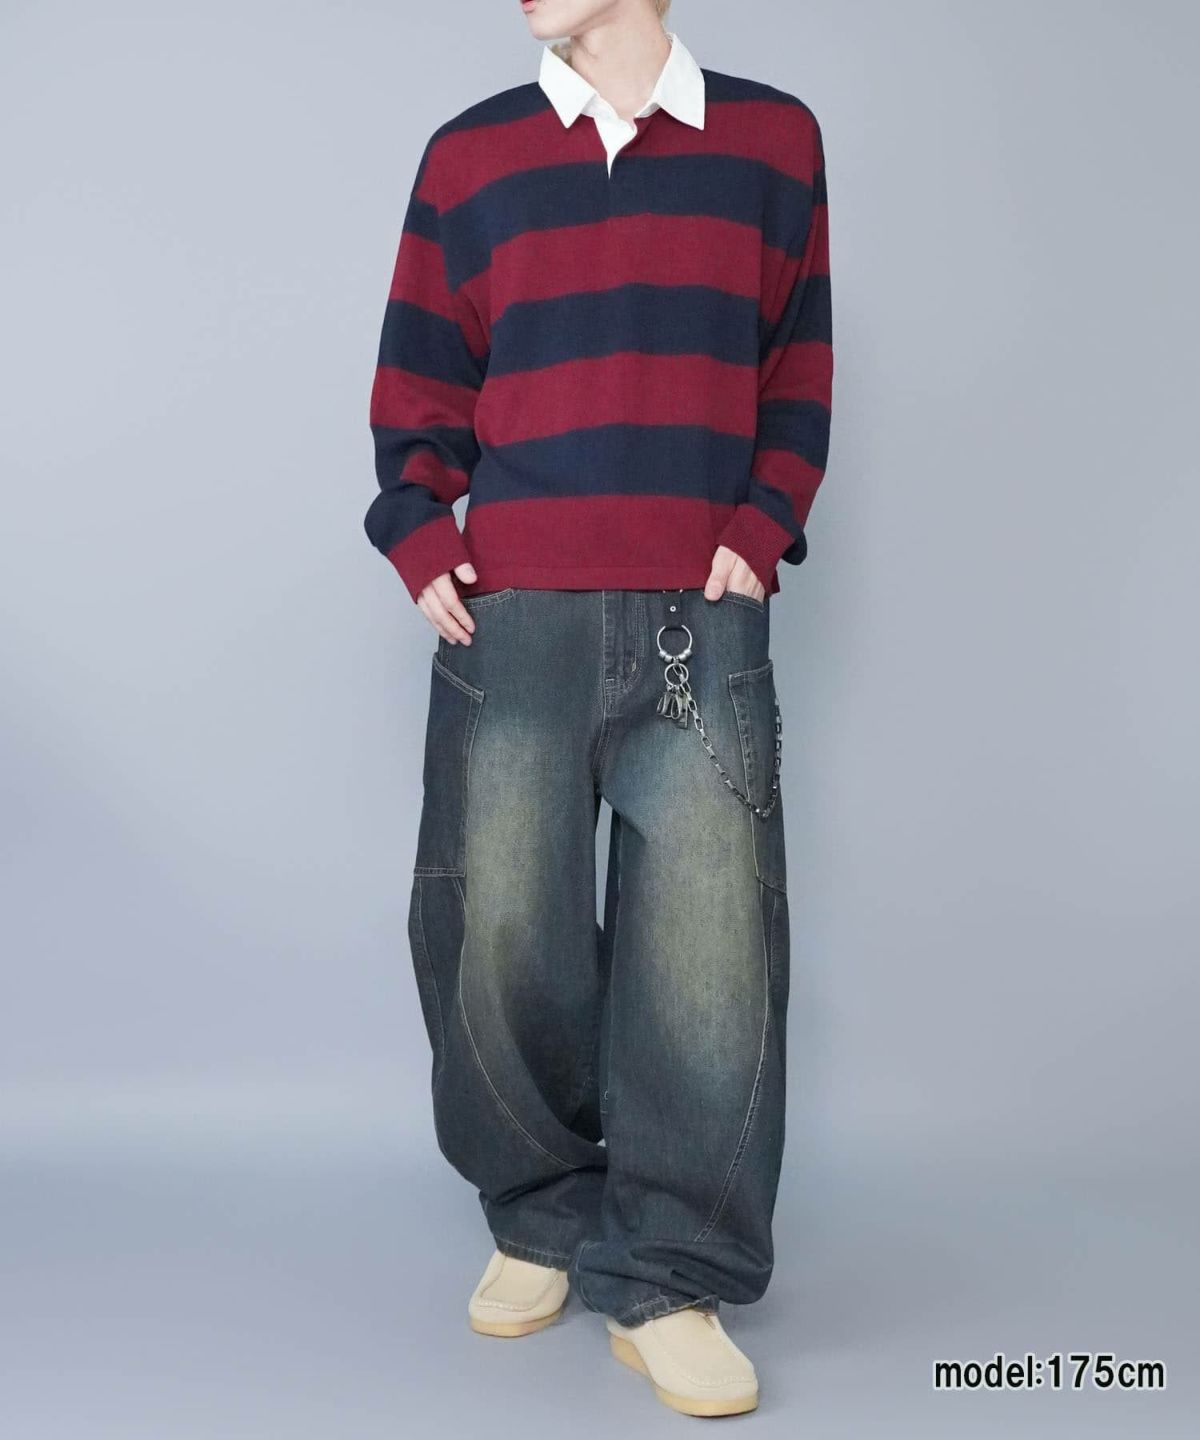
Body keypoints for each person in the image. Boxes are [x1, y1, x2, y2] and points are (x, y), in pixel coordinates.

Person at [364, 0, 832, 1417]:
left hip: (703, 610)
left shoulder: (771, 141)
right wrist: (419, 534)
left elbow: (796, 367)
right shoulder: (471, 157)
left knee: (710, 952)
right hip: (516, 614)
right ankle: (541, 1217)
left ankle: (671, 1275)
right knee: (499, 929)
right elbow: (418, 378)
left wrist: (763, 525)